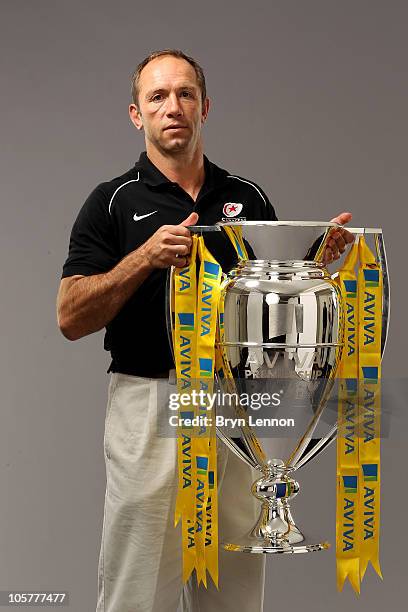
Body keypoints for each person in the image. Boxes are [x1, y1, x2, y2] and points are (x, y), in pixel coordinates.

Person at [57, 49, 354, 612]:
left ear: (205, 106)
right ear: (135, 114)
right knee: (137, 588)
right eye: (158, 97)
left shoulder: (250, 197)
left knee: (236, 589)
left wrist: (317, 263)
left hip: (241, 406)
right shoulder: (112, 203)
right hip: (154, 400)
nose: (173, 107)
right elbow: (70, 316)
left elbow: (276, 305)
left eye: (185, 94)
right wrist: (142, 258)